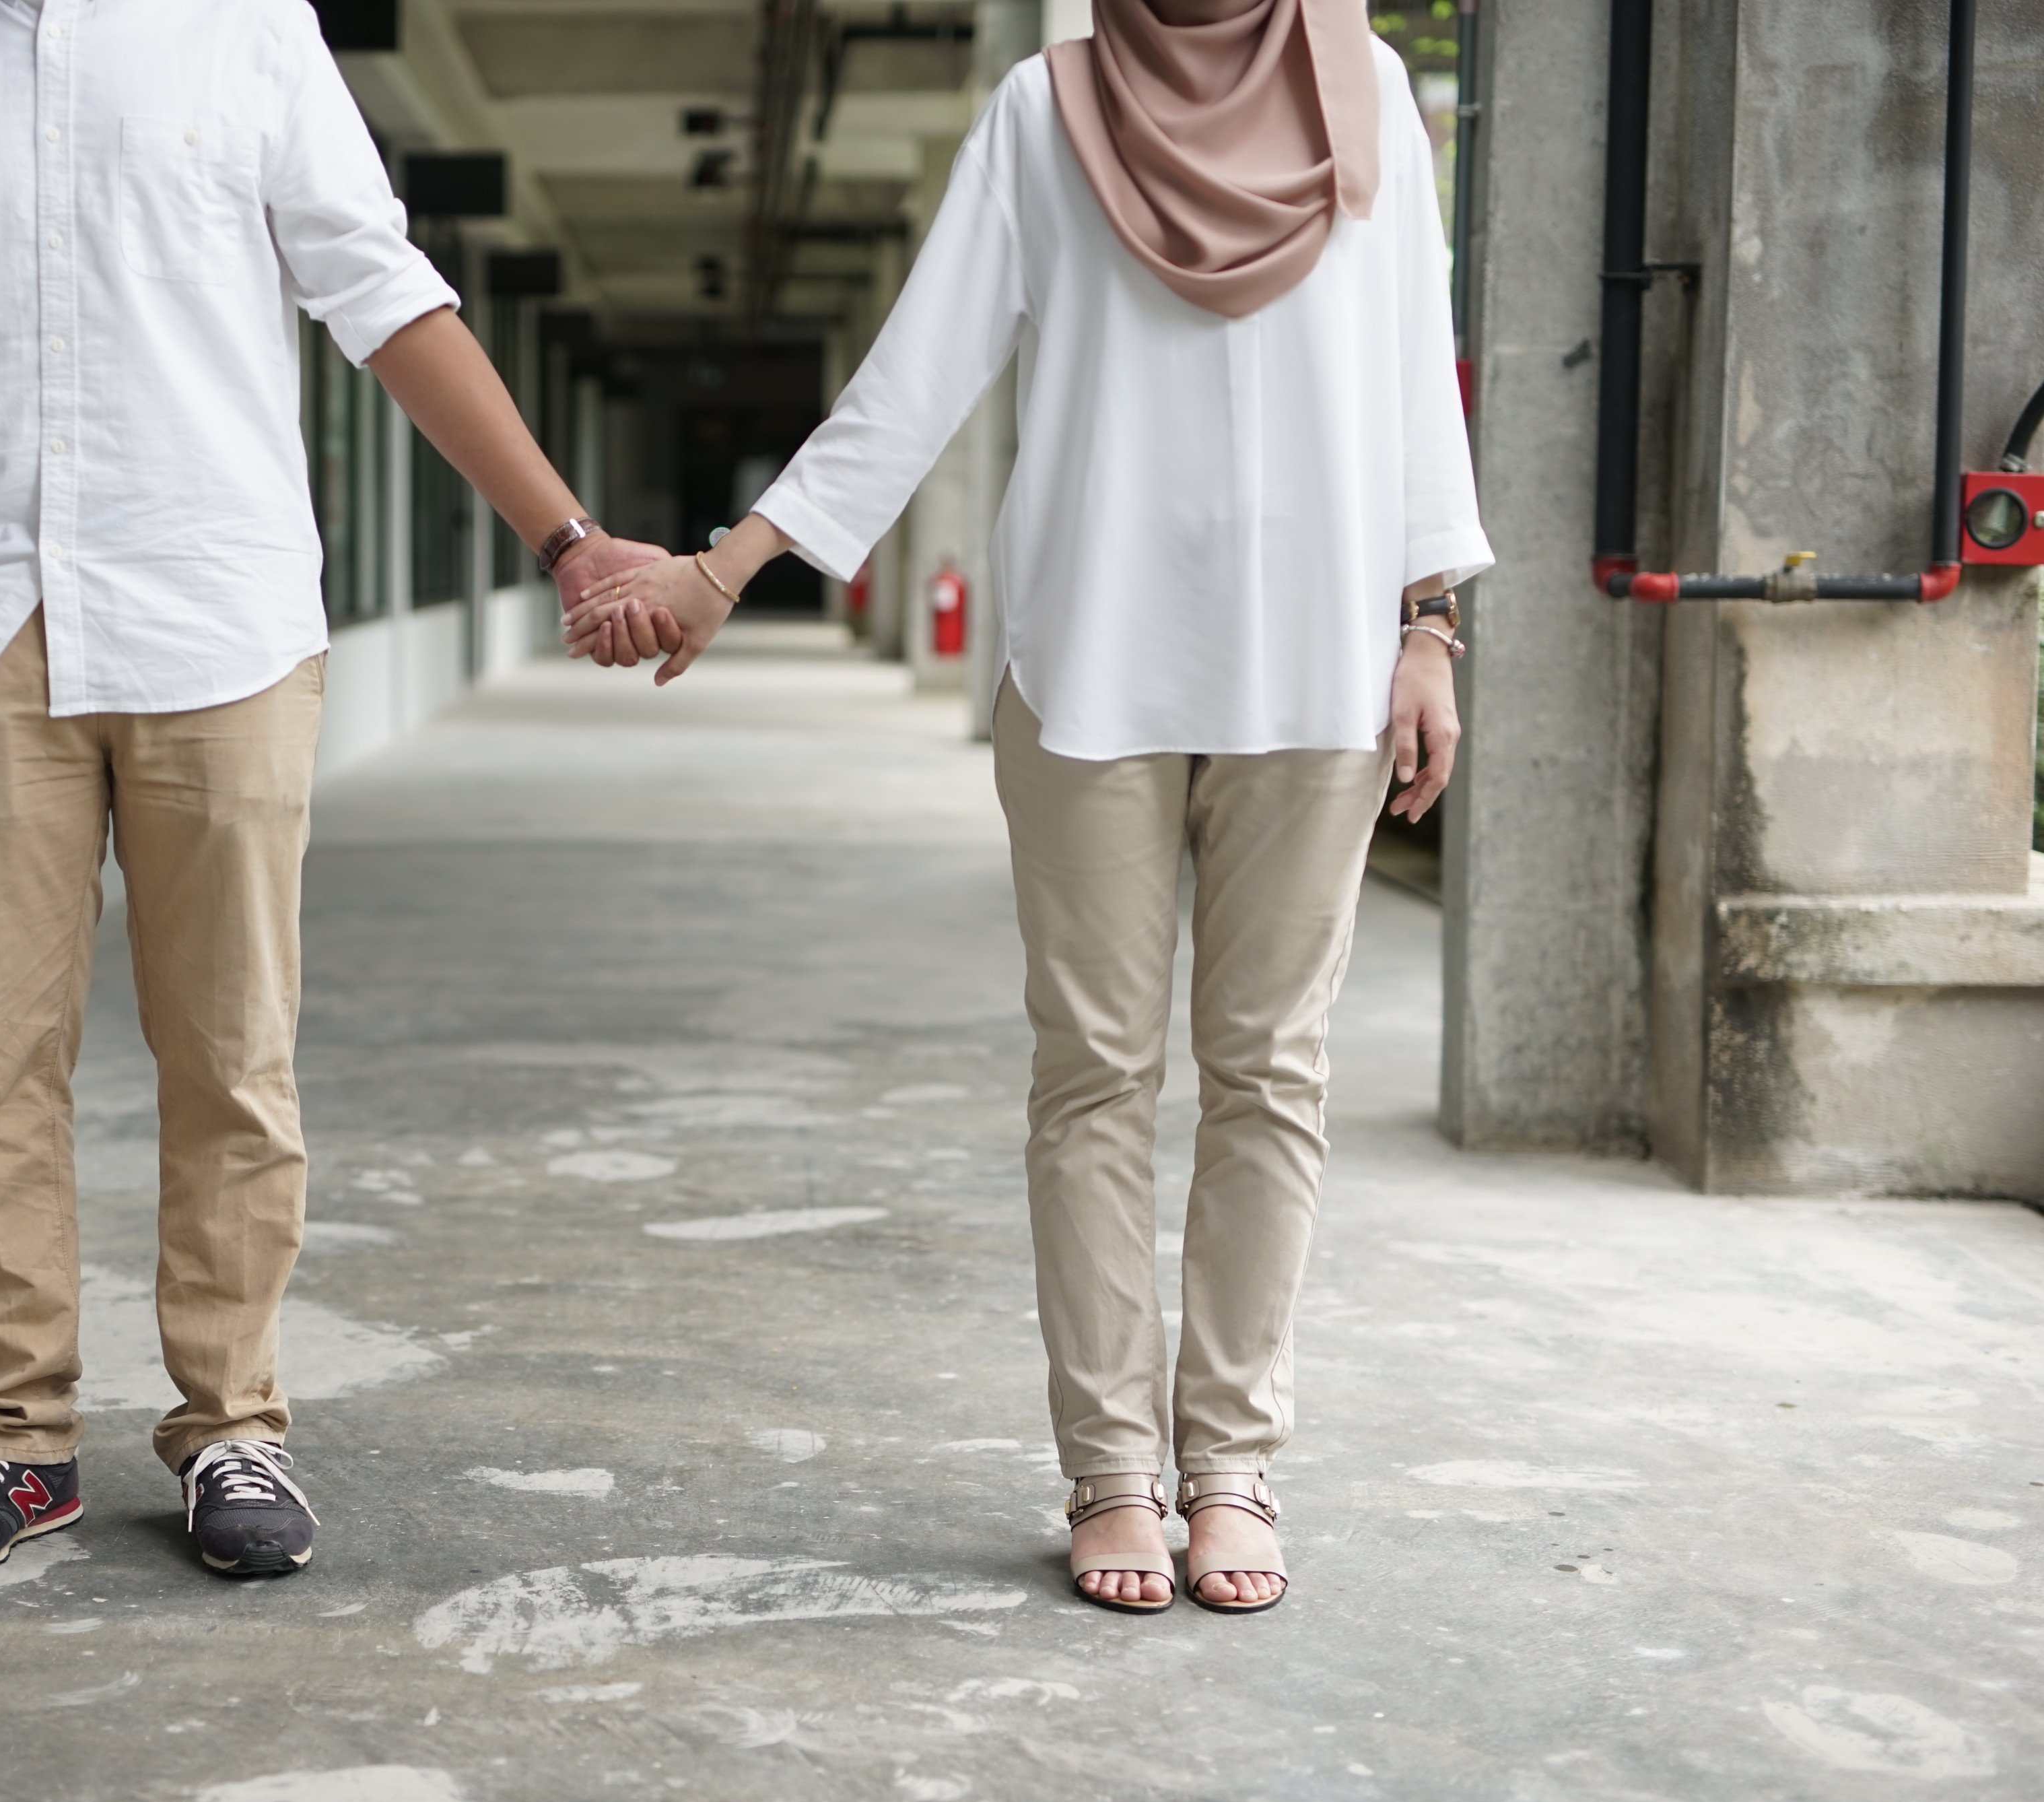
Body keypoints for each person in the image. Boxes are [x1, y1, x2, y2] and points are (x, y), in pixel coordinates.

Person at [570, 0, 1489, 1614]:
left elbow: (1416, 362)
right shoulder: (1041, 108)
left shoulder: (1372, 97)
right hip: (1096, 671)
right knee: (1095, 1075)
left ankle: (1232, 1466)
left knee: (1268, 1070)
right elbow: (915, 377)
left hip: (1316, 666)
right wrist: (729, 567)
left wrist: (1427, 624)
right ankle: (1109, 1469)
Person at [0, 0, 661, 1582]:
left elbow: (386, 297)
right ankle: (7, 1444)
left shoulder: (251, 34)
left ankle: (232, 1424)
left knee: (232, 1054)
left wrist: (567, 540)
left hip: (215, 618)